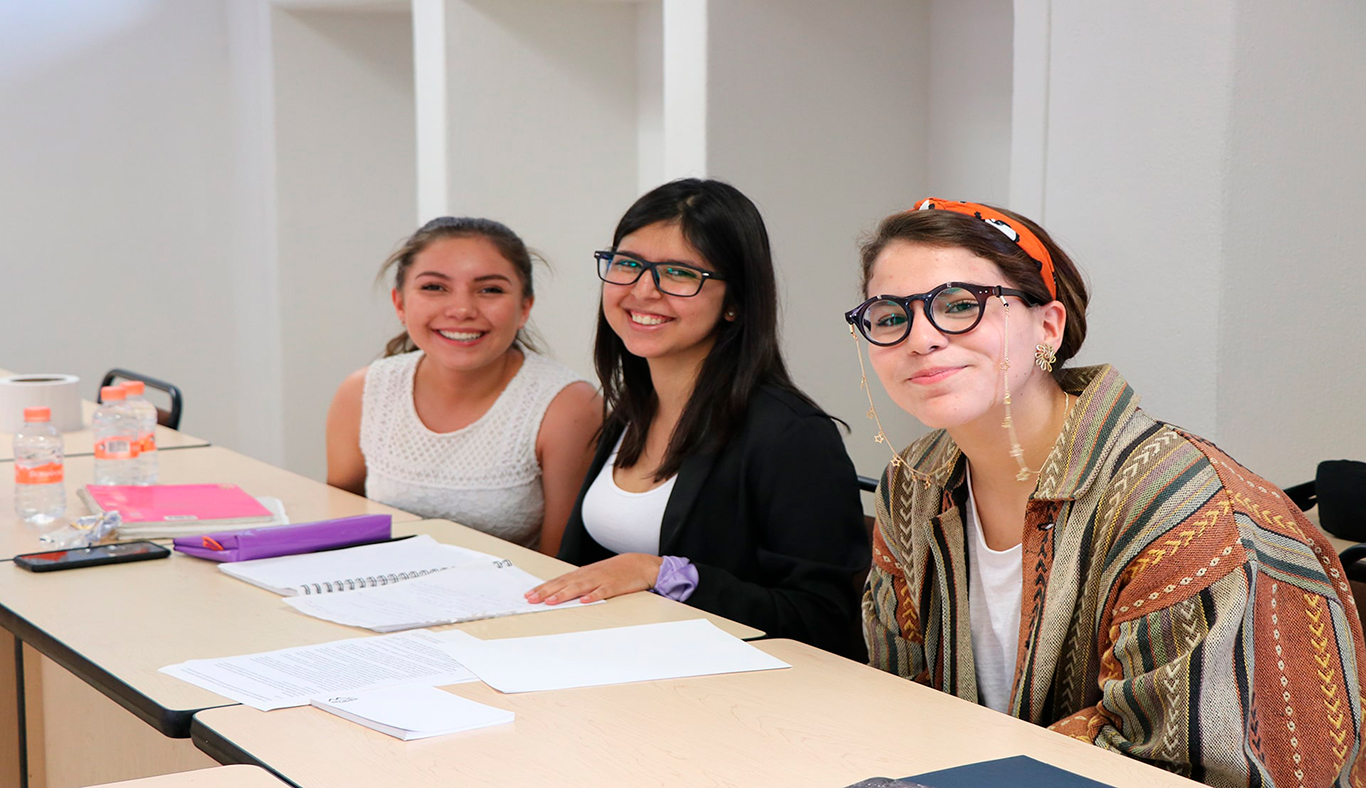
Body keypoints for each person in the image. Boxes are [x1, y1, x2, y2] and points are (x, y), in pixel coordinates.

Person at [850, 198, 1366, 785]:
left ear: (1048, 326)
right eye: (890, 316)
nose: (921, 339)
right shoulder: (912, 483)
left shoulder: (1187, 507)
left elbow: (1186, 765)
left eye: (960, 306)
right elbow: (897, 692)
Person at [526, 179, 870, 656]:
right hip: (618, 664)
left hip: (732, 699)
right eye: (628, 265)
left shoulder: (792, 434)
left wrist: (662, 573)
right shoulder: (634, 407)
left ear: (735, 301)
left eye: (679, 273)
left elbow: (823, 619)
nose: (644, 290)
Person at [326, 217, 600, 555]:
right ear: (400, 303)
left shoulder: (567, 406)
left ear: (524, 307)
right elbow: (342, 529)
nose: (462, 310)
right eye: (434, 287)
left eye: (490, 290)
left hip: (515, 602)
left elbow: (563, 564)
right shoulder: (363, 391)